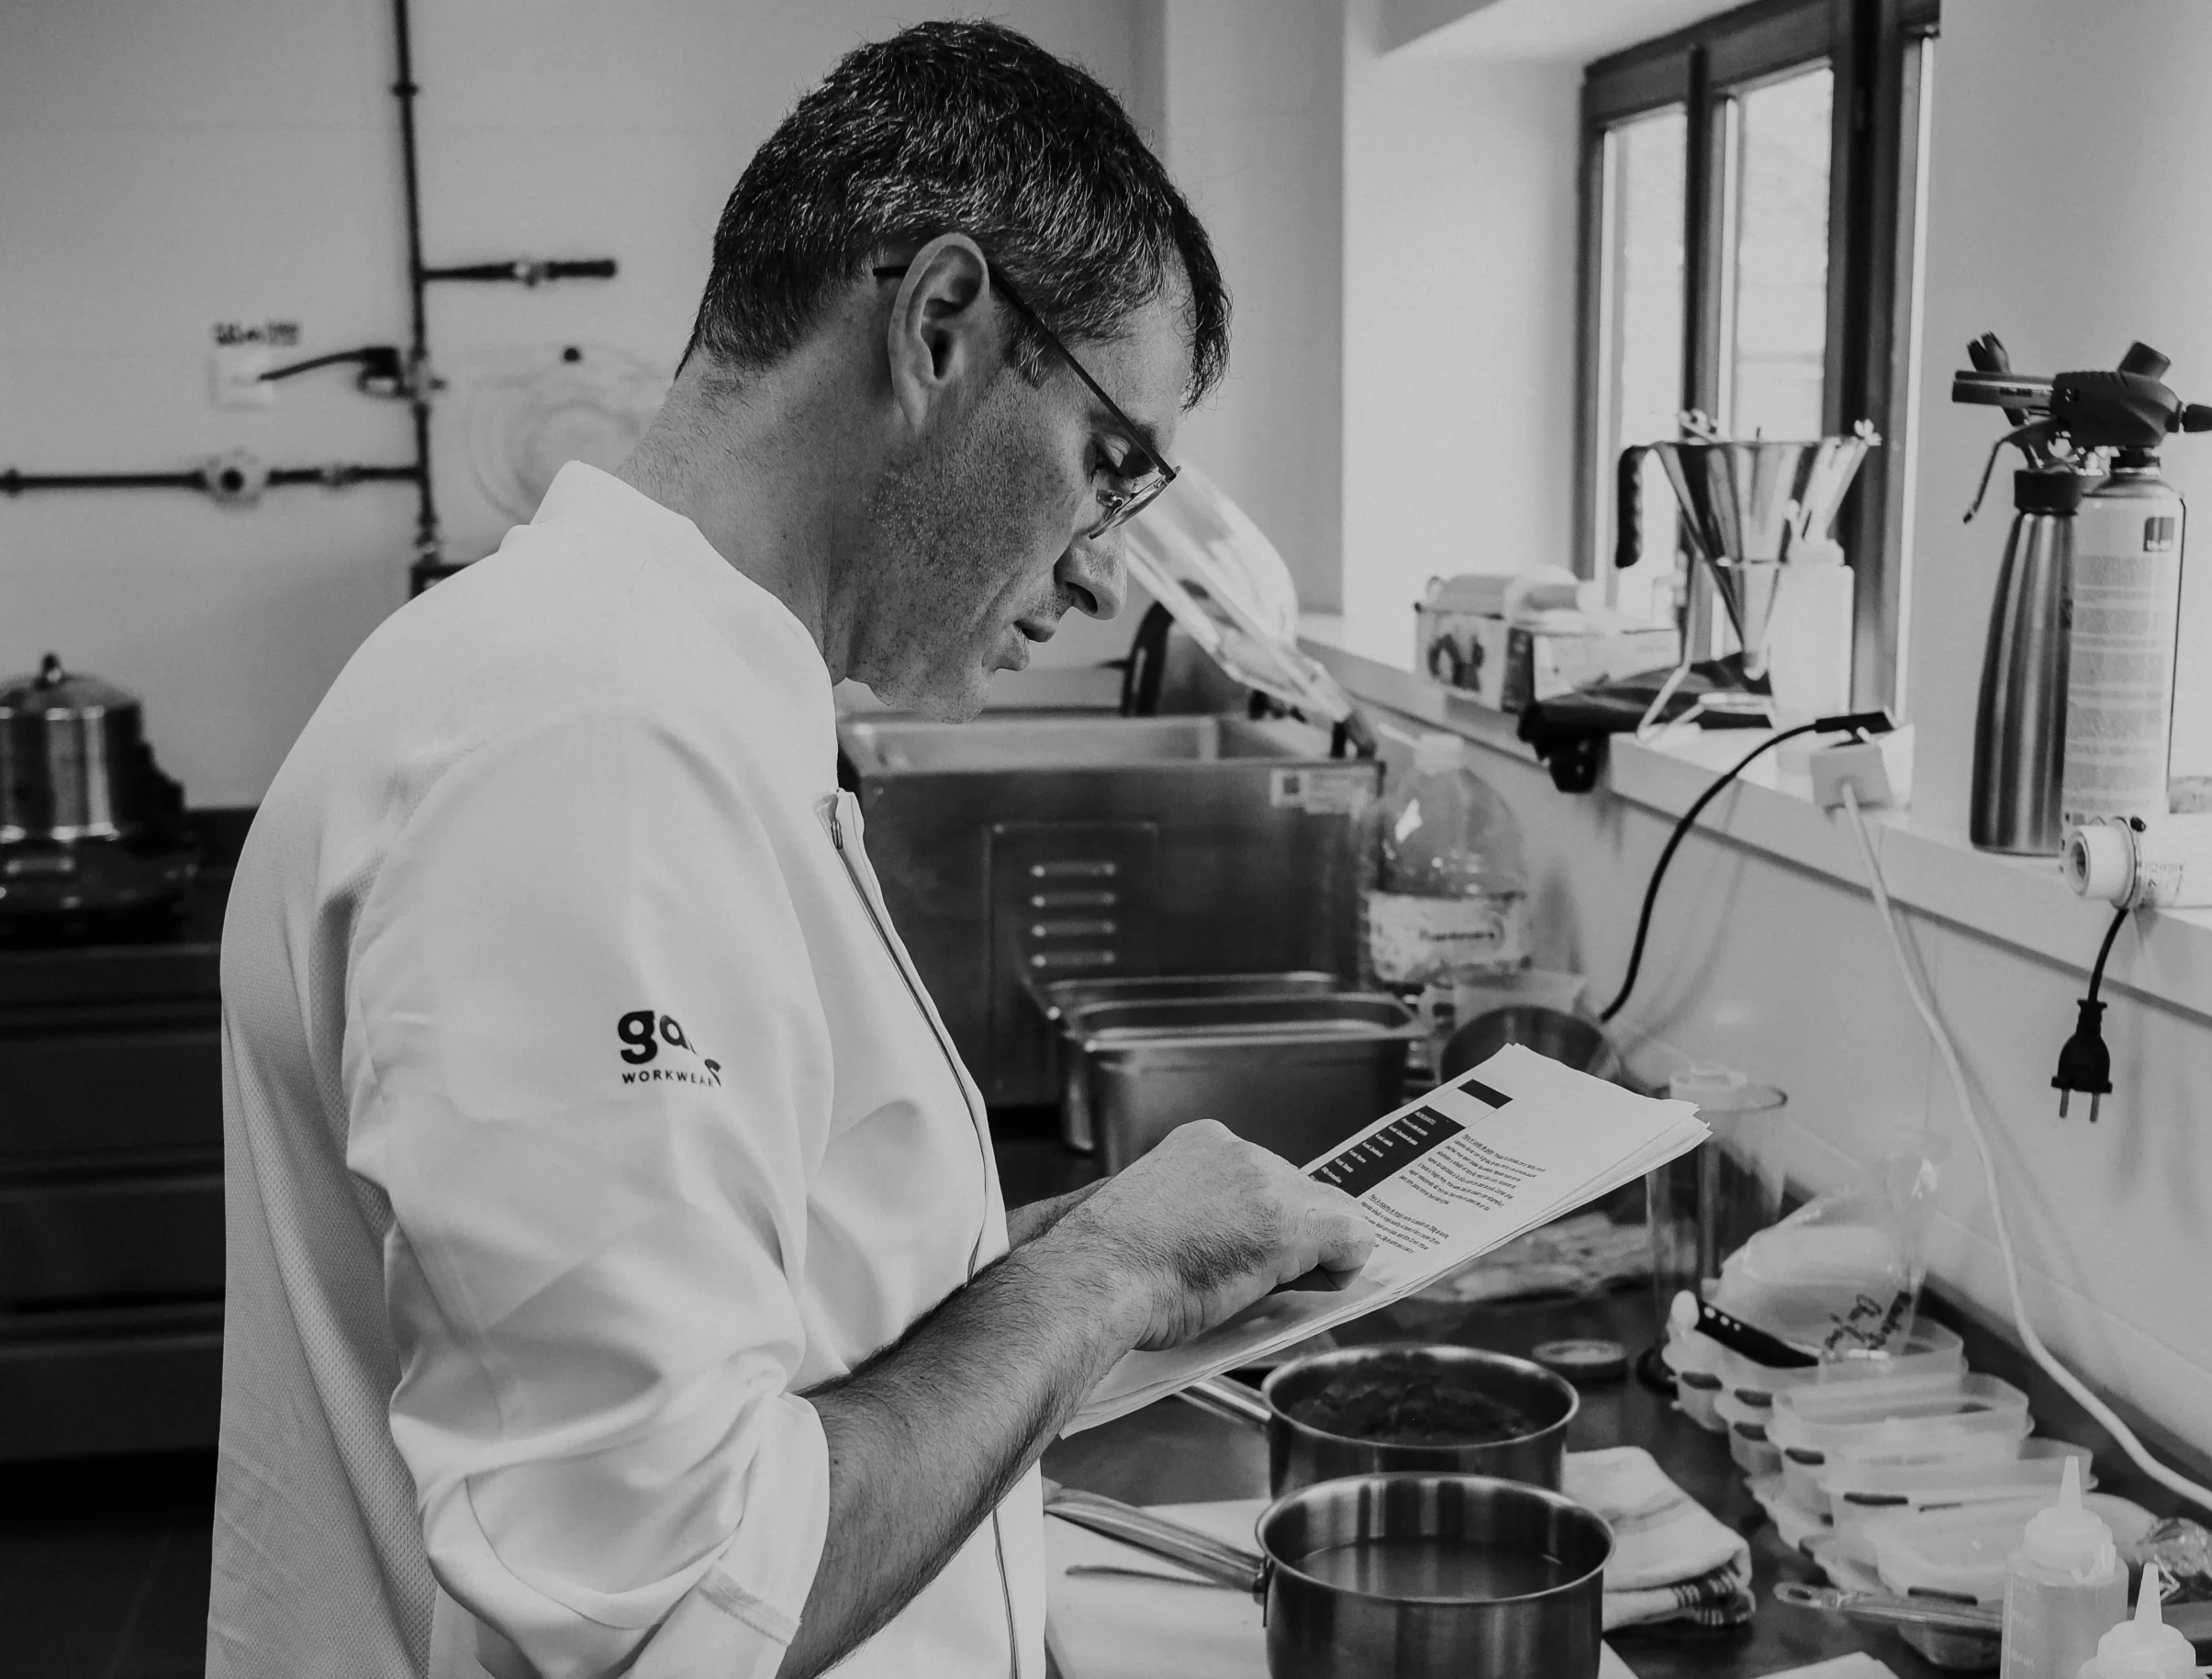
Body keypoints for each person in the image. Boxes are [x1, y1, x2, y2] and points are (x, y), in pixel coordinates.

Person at [205, 20, 1375, 1679]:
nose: (1106, 571)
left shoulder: (661, 694)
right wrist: (1111, 1274)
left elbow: (759, 1323)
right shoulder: (583, 748)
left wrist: (1078, 1252)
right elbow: (667, 1599)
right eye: (1110, 466)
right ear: (942, 325)